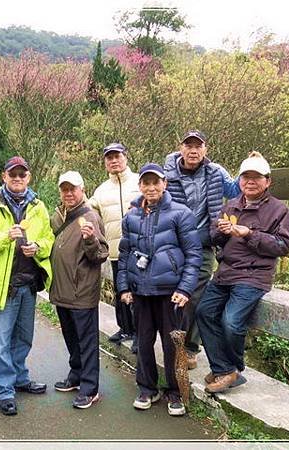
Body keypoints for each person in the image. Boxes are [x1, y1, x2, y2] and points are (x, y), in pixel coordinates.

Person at [196, 152, 289, 393]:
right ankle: (225, 369)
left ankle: (230, 369)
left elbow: (284, 245)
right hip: (226, 273)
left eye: (256, 177)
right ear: (239, 180)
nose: (250, 182)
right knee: (203, 312)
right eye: (245, 177)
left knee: (231, 322)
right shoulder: (231, 205)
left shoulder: (279, 210)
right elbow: (214, 237)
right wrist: (220, 230)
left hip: (254, 276)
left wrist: (249, 234)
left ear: (267, 181)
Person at [0, 156, 54, 416]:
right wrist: (4, 236)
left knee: (24, 337)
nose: (17, 179)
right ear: (3, 176)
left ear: (28, 177)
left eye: (22, 174)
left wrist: (37, 246)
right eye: (12, 174)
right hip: (2, 286)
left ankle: (19, 377)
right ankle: (5, 390)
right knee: (1, 341)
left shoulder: (38, 206)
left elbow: (48, 236)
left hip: (29, 284)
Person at [117, 163, 201, 416]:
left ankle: (176, 392)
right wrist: (124, 288)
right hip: (141, 291)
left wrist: (185, 289)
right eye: (146, 183)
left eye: (156, 182)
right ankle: (147, 388)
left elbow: (194, 255)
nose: (151, 187)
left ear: (164, 183)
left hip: (171, 293)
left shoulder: (181, 213)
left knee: (173, 344)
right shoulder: (131, 216)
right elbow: (124, 255)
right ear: (140, 186)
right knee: (142, 342)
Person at [164, 130, 240, 369]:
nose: (193, 150)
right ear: (181, 148)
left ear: (206, 149)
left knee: (195, 297)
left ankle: (189, 348)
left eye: (198, 146)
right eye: (189, 145)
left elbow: (235, 190)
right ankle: (172, 343)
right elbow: (151, 194)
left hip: (204, 244)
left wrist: (252, 166)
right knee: (172, 293)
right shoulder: (168, 173)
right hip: (174, 244)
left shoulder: (216, 172)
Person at [50, 171, 109, 409]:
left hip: (81, 291)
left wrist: (90, 241)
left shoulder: (90, 217)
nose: (69, 193)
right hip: (62, 291)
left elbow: (100, 255)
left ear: (82, 189)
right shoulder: (58, 216)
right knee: (71, 338)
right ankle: (76, 375)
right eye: (64, 189)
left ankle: (90, 388)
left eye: (73, 189)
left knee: (86, 342)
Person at [89, 142, 140, 351]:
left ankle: (140, 334)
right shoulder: (101, 190)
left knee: (139, 292)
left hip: (140, 249)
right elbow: (88, 210)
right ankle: (125, 328)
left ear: (125, 157)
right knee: (121, 290)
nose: (113, 161)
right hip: (115, 250)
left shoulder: (140, 182)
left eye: (117, 156)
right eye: (109, 158)